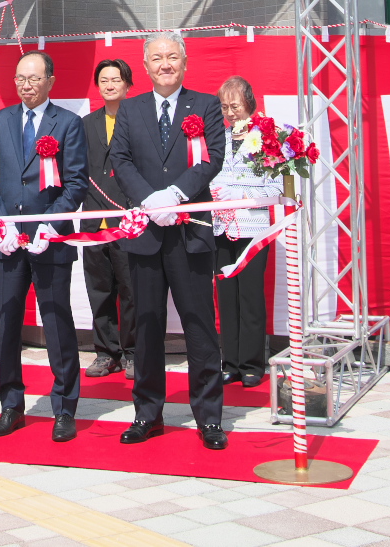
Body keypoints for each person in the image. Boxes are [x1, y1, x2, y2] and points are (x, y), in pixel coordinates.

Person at [110, 30, 227, 450]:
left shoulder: (206, 105)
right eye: (157, 58)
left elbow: (214, 156)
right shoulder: (131, 108)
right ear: (145, 66)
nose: (165, 64)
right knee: (147, 324)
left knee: (199, 325)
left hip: (189, 233)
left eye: (172, 57)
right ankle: (147, 413)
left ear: (184, 62)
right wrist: (149, 199)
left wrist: (175, 196)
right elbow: (120, 158)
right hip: (145, 234)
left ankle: (209, 417)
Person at [0, 49, 88, 443]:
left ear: (50, 81)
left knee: (57, 324)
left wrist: (48, 223)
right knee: (8, 324)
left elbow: (75, 183)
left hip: (49, 241)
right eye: (20, 79)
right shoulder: (0, 121)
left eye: (34, 78)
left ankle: (65, 407)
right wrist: (3, 223)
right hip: (8, 243)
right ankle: (11, 404)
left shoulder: (68, 123)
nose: (26, 86)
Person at [212, 75, 279, 388]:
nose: (230, 112)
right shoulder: (218, 138)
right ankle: (230, 363)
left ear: (249, 103)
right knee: (226, 297)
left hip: (253, 228)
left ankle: (252, 364)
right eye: (225, 106)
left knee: (250, 296)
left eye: (235, 105)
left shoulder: (267, 139)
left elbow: (277, 189)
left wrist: (240, 195)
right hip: (221, 226)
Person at [81, 58, 136, 378]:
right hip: (93, 223)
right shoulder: (86, 124)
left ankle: (134, 353)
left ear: (128, 84)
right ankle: (105, 353)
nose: (110, 85)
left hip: (127, 222)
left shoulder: (139, 120)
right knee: (99, 290)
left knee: (131, 291)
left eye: (116, 79)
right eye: (104, 80)